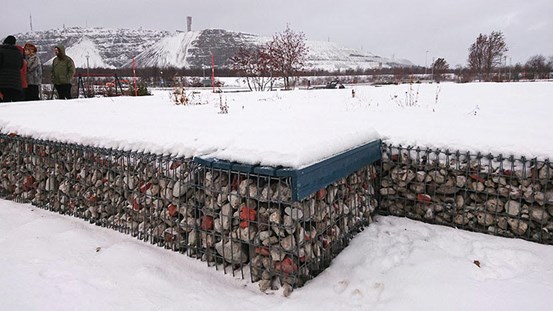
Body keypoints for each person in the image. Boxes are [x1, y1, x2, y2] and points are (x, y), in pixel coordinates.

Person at [0, 35, 24, 102]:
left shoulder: (1, 51)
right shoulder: (18, 52)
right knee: (15, 104)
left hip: (3, 81)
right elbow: (21, 65)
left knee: (5, 103)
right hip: (16, 82)